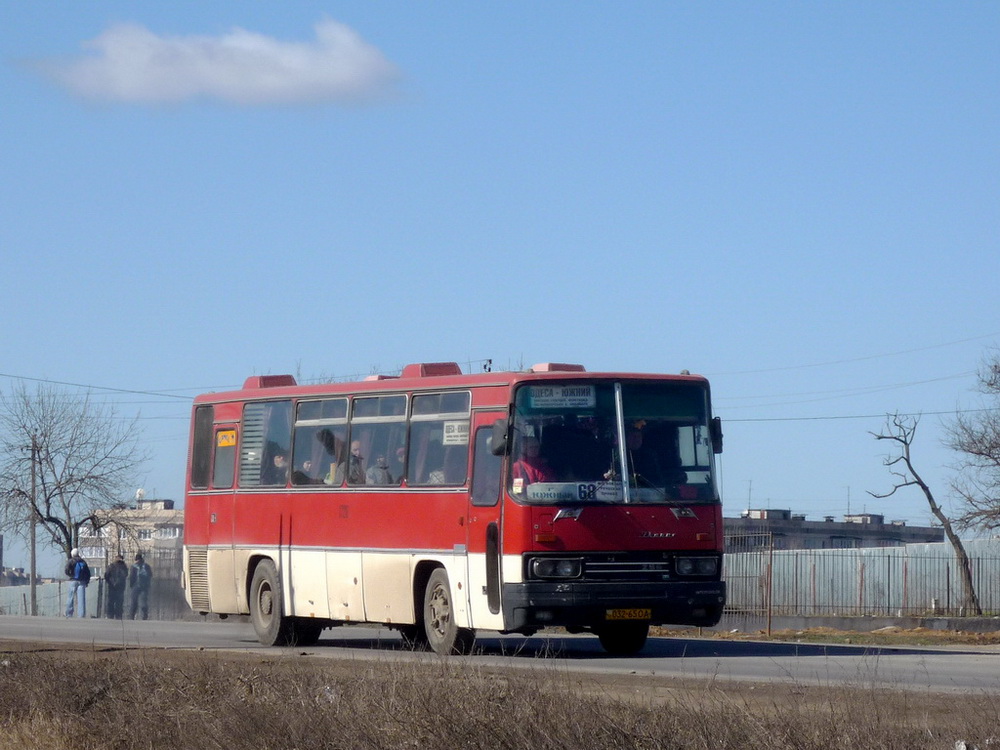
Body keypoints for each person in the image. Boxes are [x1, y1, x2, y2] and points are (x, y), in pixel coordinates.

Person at [64, 548, 91, 618]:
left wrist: (71, 575)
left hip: (73, 581)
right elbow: (88, 573)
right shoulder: (83, 562)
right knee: (81, 599)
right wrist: (87, 582)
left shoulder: (71, 561)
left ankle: (69, 614)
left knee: (70, 598)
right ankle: (81, 615)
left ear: (72, 554)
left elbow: (66, 570)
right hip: (82, 582)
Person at [128, 553, 153, 620]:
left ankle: (132, 616)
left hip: (136, 586)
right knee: (144, 601)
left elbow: (132, 577)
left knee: (134, 602)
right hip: (144, 586)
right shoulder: (147, 566)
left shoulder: (134, 566)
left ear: (136, 559)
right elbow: (150, 575)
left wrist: (131, 585)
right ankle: (145, 615)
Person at [104, 553, 129, 619]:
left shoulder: (111, 566)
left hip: (111, 586)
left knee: (111, 601)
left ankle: (110, 615)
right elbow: (125, 575)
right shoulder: (124, 567)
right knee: (119, 602)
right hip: (120, 587)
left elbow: (106, 575)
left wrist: (110, 582)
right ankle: (118, 615)